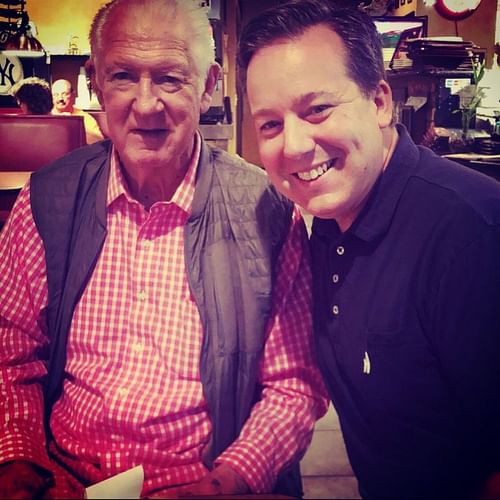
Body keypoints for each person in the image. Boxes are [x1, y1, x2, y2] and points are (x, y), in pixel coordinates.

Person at [0, 0, 328, 498]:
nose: (147, 104)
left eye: (171, 78)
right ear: (95, 80)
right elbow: (11, 359)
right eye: (124, 76)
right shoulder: (45, 200)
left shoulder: (267, 210)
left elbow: (293, 386)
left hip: (205, 482)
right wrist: (22, 467)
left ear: (209, 85)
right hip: (60, 476)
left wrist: (224, 484)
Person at [239, 1, 500, 498]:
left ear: (380, 102)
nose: (292, 146)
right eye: (269, 124)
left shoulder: (472, 233)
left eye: (317, 109)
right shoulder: (327, 225)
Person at [51, 78, 104, 143]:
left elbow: (99, 142)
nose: (60, 98)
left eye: (65, 94)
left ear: (73, 95)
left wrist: (73, 124)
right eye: (56, 95)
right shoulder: (46, 116)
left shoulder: (84, 117)